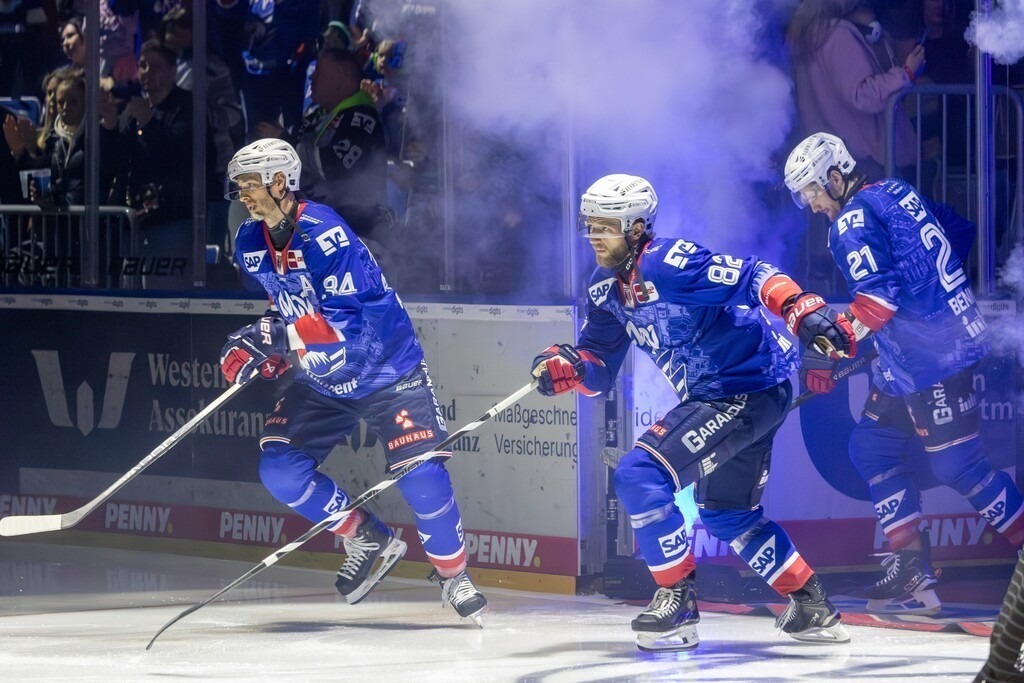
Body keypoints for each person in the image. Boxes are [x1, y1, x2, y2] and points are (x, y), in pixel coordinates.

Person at [530, 173, 856, 651]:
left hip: (740, 391)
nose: (594, 237)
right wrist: (570, 365)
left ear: (637, 226)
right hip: (733, 396)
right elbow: (598, 365)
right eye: (589, 226)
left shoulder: (669, 263)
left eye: (606, 226)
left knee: (640, 474)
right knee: (727, 516)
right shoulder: (604, 289)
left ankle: (677, 600)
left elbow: (753, 274)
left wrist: (801, 309)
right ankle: (812, 608)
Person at [220, 138, 486, 623]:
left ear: (280, 183)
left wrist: (282, 337)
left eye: (250, 185)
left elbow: (348, 328)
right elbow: (289, 303)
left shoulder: (325, 234)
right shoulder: (249, 241)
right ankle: (364, 534)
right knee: (279, 468)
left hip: (386, 369)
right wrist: (262, 341)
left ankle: (453, 576)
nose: (243, 195)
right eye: (238, 186)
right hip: (324, 379)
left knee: (423, 478)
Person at [783, 132, 1024, 615]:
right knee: (871, 446)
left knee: (960, 466)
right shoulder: (895, 190)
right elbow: (957, 231)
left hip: (932, 358)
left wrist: (830, 348)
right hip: (918, 351)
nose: (810, 204)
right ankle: (912, 568)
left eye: (811, 191)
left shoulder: (849, 221)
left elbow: (878, 301)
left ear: (835, 176)